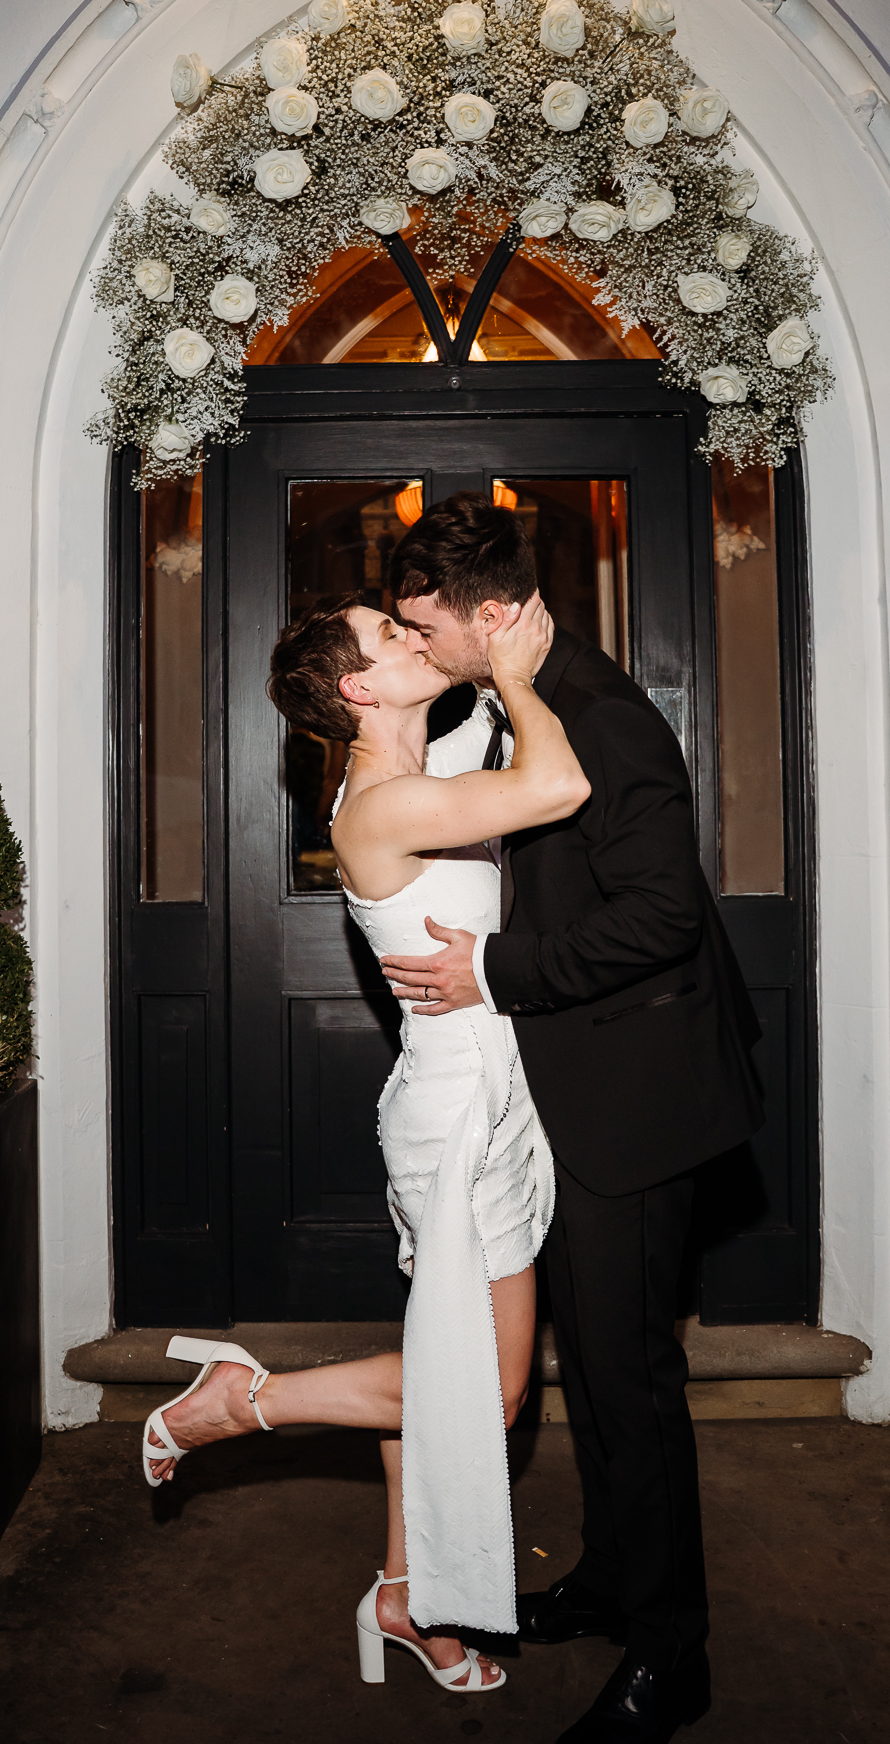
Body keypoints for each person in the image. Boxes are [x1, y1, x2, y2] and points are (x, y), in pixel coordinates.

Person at [140, 587, 589, 1698]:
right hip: (458, 1117)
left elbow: (498, 760)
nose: (408, 635)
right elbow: (557, 785)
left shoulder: (416, 769)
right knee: (485, 1394)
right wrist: (519, 679)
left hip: (479, 1094)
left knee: (434, 1356)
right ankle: (240, 1402)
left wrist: (490, 665)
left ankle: (406, 1592)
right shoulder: (379, 805)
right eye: (391, 635)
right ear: (356, 687)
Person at [379, 492, 766, 1744]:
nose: (414, 643)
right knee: (593, 1376)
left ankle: (672, 1656)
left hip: (635, 1106)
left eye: (422, 625)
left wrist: (492, 972)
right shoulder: (515, 700)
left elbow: (659, 917)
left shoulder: (603, 717)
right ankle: (610, 1579)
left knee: (631, 1383)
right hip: (575, 1096)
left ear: (493, 617)